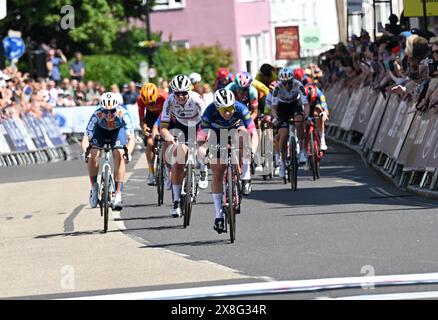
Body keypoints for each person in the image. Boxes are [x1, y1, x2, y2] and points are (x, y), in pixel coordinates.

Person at [197, 89, 252, 234]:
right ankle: (218, 215)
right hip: (217, 135)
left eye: (229, 109)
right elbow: (201, 139)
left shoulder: (241, 108)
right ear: (216, 107)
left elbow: (253, 131)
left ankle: (245, 176)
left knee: (245, 136)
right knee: (217, 172)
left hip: (236, 130)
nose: (227, 113)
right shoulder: (209, 112)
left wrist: (251, 150)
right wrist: (203, 154)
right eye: (223, 110)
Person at [159, 74, 205, 217]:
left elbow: (206, 122)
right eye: (177, 93)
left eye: (184, 93)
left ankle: (203, 170)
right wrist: (166, 135)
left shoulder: (196, 99)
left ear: (188, 91)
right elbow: (164, 126)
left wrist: (202, 137)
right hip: (181, 126)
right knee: (179, 160)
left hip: (198, 125)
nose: (180, 97)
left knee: (202, 150)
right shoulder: (169, 101)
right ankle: (176, 201)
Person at [81, 92, 135, 211]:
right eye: (106, 111)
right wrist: (86, 152)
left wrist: (128, 153)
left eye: (112, 111)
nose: (109, 114)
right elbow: (86, 137)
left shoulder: (123, 114)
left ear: (117, 108)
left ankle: (118, 194)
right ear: (101, 109)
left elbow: (131, 137)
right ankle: (94, 187)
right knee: (93, 154)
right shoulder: (97, 114)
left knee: (120, 154)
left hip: (117, 132)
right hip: (100, 132)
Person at [270, 67, 309, 178]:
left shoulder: (298, 85)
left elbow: (306, 104)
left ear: (293, 80)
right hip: (282, 107)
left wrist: (305, 115)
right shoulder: (277, 88)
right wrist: (276, 118)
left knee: (299, 122)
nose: (287, 85)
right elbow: (273, 107)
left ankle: (302, 151)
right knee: (283, 134)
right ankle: (282, 163)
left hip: (294, 105)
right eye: (285, 83)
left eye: (289, 82)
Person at [137, 82, 168, 186]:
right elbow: (141, 119)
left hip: (165, 115)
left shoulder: (164, 97)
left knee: (166, 140)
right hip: (151, 116)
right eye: (148, 104)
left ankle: (166, 167)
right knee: (150, 143)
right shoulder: (140, 100)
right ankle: (151, 172)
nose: (151, 105)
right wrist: (144, 127)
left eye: (152, 102)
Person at [304, 83, 329, 151]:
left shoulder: (320, 94)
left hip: (316, 105)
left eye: (312, 101)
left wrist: (324, 113)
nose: (311, 102)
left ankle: (322, 138)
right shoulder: (302, 93)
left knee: (318, 112)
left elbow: (325, 108)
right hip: (306, 106)